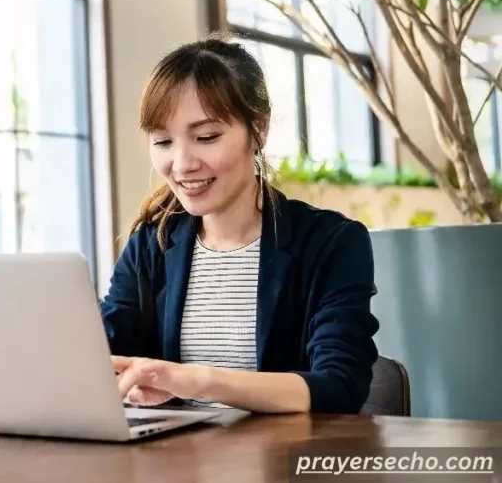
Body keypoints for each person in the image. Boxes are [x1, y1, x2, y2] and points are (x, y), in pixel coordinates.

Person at [101, 33, 380, 415]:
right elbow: (102, 349)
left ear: (259, 130)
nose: (182, 164)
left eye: (206, 137)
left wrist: (196, 379)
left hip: (287, 465)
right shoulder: (153, 245)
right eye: (163, 142)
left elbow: (339, 385)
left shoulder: (331, 242)